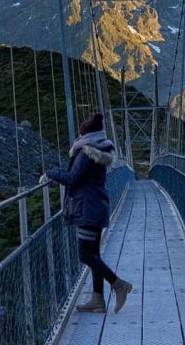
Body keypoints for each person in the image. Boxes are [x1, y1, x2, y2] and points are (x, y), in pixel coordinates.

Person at [44, 113, 133, 314]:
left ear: (85, 135)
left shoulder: (86, 152)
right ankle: (98, 300)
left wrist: (51, 173)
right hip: (96, 206)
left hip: (87, 209)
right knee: (94, 255)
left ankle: (119, 285)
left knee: (85, 255)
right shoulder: (101, 150)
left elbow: (72, 178)